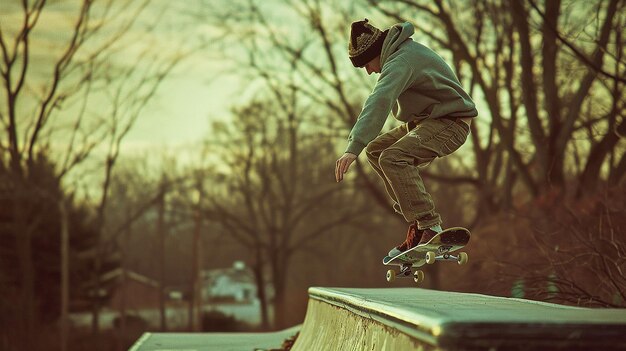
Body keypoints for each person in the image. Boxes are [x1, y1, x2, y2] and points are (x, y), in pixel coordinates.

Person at [334, 19, 477, 258]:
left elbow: (380, 99)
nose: (369, 71)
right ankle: (419, 222)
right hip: (430, 121)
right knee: (376, 151)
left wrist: (353, 147)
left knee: (393, 157)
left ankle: (429, 224)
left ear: (375, 52)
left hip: (451, 123)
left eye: (366, 64)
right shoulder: (400, 54)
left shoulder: (401, 60)